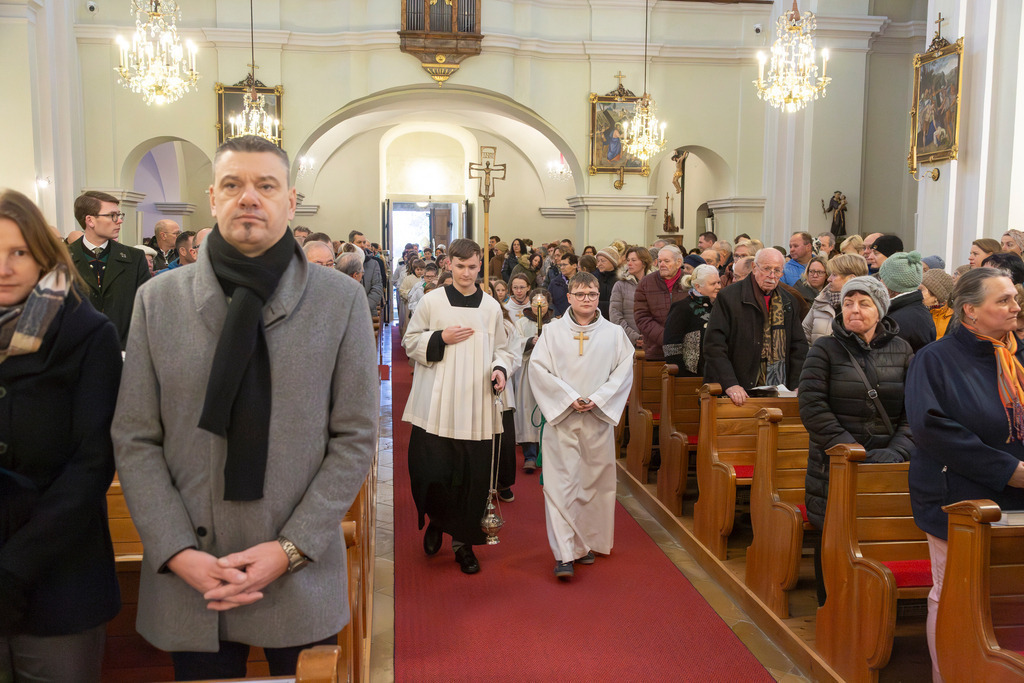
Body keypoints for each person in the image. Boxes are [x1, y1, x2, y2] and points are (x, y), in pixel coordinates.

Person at [111, 135, 378, 679]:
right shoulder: (159, 301)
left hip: (296, 573)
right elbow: (135, 438)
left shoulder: (338, 301)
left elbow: (354, 438)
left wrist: (290, 548)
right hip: (193, 576)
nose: (248, 197)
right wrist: (178, 551)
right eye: (233, 185)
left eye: (265, 185)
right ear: (213, 198)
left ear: (290, 200)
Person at [0, 190, 122, 682]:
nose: (4, 267)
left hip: (61, 573)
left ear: (43, 254)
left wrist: (15, 566)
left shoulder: (87, 334)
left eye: (18, 252)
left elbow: (92, 462)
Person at [905, 267, 1024, 682]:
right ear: (970, 311)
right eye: (1003, 300)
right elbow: (931, 428)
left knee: (1010, 593)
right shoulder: (935, 359)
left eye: (1014, 297)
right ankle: (951, 674)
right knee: (956, 593)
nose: (1015, 306)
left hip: (1019, 497)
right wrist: (1008, 471)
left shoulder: (1019, 354)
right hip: (957, 498)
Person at [799, 276, 914, 605]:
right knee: (833, 538)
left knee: (879, 537)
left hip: (888, 468)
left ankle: (871, 615)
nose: (854, 309)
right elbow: (813, 407)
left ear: (879, 309)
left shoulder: (902, 350)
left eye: (863, 303)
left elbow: (914, 411)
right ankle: (830, 611)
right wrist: (850, 451)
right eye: (848, 303)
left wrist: (897, 452)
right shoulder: (825, 348)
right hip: (833, 466)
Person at [402, 238, 514, 575]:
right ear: (449, 264)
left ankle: (463, 543)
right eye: (460, 266)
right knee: (433, 473)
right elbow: (410, 341)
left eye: (472, 266)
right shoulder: (431, 301)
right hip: (436, 404)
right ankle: (437, 520)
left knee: (472, 480)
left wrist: (500, 369)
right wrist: (440, 339)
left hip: (476, 405)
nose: (466, 273)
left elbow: (503, 349)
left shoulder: (491, 307)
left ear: (480, 266)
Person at [528, 272, 633, 579]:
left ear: (597, 297)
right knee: (560, 486)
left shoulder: (615, 334)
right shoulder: (551, 332)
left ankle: (582, 544)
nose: (586, 299)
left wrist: (598, 399)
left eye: (591, 294)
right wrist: (570, 398)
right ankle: (563, 554)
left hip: (597, 419)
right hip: (562, 419)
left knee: (592, 485)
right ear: (569, 297)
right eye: (580, 294)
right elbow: (539, 370)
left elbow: (624, 372)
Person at [703, 248, 808, 405]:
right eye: (766, 269)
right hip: (739, 387)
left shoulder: (788, 301)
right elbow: (714, 345)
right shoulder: (729, 297)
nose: (772, 276)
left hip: (780, 389)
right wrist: (731, 384)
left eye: (777, 270)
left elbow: (798, 347)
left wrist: (797, 384)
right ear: (754, 267)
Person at [68, 190, 151, 349]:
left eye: (120, 215)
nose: (119, 220)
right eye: (112, 215)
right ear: (90, 220)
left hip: (124, 353)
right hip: (76, 356)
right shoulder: (61, 260)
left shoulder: (134, 258)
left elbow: (145, 309)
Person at [514, 288, 554, 474]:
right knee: (528, 409)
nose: (539, 307)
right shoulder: (521, 323)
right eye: (536, 303)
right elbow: (514, 344)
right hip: (527, 370)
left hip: (549, 373)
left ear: (548, 304)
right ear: (530, 304)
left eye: (543, 303)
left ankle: (546, 454)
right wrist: (530, 342)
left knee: (547, 411)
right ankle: (530, 455)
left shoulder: (555, 323)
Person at [662, 264, 721, 376]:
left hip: (717, 372)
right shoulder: (682, 307)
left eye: (718, 282)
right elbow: (671, 345)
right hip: (692, 374)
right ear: (698, 286)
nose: (718, 286)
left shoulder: (721, 306)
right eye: (713, 284)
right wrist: (681, 374)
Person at [633, 245, 688, 361]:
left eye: (666, 261)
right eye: (659, 261)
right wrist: (666, 337)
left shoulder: (689, 282)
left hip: (685, 350)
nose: (662, 264)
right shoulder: (646, 282)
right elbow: (641, 317)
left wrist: (680, 339)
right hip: (656, 350)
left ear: (678, 262)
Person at [802, 253, 869, 345]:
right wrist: (814, 357)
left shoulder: (868, 308)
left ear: (851, 279)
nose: (829, 279)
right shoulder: (821, 300)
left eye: (834, 275)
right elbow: (804, 335)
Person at [878, 251, 935, 352]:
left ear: (892, 285)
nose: (879, 282)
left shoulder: (895, 321)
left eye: (882, 278)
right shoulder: (919, 311)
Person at [609, 245, 653, 347]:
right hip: (627, 341)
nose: (629, 263)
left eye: (634, 260)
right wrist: (634, 337)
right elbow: (615, 315)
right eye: (628, 260)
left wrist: (650, 336)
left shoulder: (655, 284)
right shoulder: (620, 285)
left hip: (652, 341)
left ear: (644, 262)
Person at [920, 268, 954, 338]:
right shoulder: (917, 313)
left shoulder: (955, 320)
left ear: (936, 295)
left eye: (921, 290)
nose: (917, 293)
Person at [549, 251, 578, 316]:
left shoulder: (582, 281)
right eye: (560, 265)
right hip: (560, 318)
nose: (562, 267)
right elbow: (549, 300)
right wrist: (556, 314)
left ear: (574, 265)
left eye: (564, 265)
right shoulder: (555, 283)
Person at [594, 247, 620, 319]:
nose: (599, 264)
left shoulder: (620, 279)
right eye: (598, 261)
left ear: (612, 262)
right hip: (596, 317)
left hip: (614, 318)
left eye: (603, 261)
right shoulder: (593, 278)